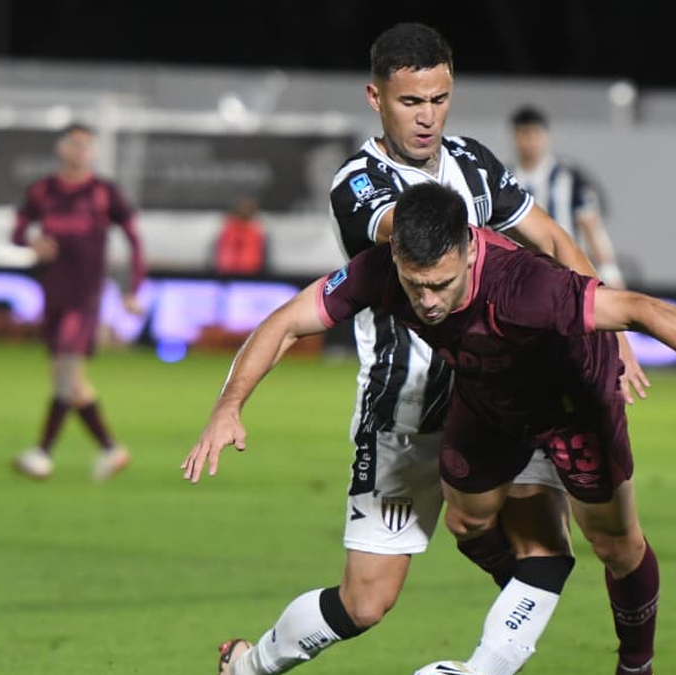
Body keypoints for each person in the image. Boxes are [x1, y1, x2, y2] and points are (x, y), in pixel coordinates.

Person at [184, 183, 676, 675]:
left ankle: (633, 662)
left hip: (571, 404)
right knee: (469, 520)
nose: (426, 301)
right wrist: (228, 404)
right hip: (488, 399)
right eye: (414, 284)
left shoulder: (526, 287)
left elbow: (643, 309)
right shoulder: (385, 270)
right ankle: (528, 594)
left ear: (466, 248)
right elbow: (288, 320)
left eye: (440, 285)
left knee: (615, 546)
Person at [191, 22, 650, 675]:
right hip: (403, 414)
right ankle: (251, 663)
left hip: (495, 398)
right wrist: (229, 403)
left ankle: (477, 667)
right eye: (411, 102)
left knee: (547, 549)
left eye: (438, 99)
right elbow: (404, 234)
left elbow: (552, 238)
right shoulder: (360, 183)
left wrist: (601, 331)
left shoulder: (474, 160)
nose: (427, 116)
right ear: (376, 98)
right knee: (365, 601)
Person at [10, 123, 145, 481]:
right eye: (75, 143)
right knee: (69, 382)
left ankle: (42, 453)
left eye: (88, 144)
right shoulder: (42, 190)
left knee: (67, 374)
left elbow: (135, 239)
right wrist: (31, 242)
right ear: (61, 147)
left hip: (84, 299)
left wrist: (134, 289)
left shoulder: (103, 193)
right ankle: (111, 449)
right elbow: (18, 230)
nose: (81, 150)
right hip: (53, 295)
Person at [509, 105, 625, 288]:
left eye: (535, 134)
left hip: (567, 274)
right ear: (515, 137)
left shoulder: (569, 177)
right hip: (522, 277)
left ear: (546, 136)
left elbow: (590, 226)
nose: (530, 141)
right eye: (524, 134)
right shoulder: (506, 178)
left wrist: (609, 270)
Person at [214, 197, 267, 276]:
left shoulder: (256, 231)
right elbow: (221, 251)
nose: (245, 211)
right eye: (244, 208)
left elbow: (260, 254)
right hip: (227, 272)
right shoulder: (227, 229)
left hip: (250, 273)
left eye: (248, 208)